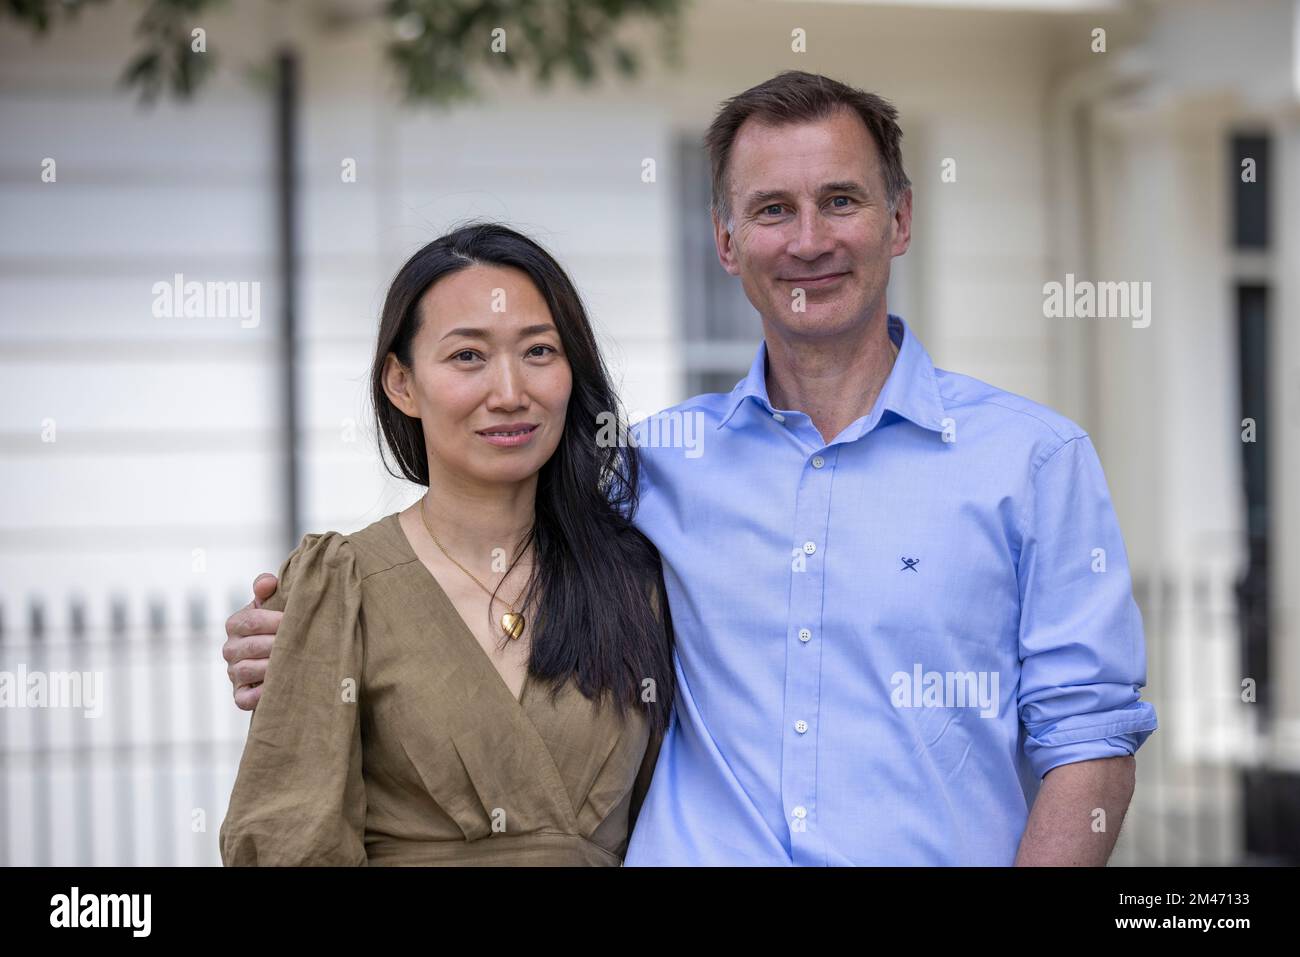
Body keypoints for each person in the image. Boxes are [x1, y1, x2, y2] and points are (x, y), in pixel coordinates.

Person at [225, 71, 1158, 866]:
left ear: (900, 218)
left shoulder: (1032, 461)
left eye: (841, 199)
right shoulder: (651, 471)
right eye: (771, 210)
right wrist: (310, 634)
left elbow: (1088, 738)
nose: (808, 240)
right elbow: (468, 550)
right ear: (724, 241)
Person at [219, 222, 674, 865]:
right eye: (468, 356)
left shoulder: (637, 579)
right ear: (402, 383)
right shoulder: (340, 586)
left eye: (540, 352)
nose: (511, 393)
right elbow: (292, 840)